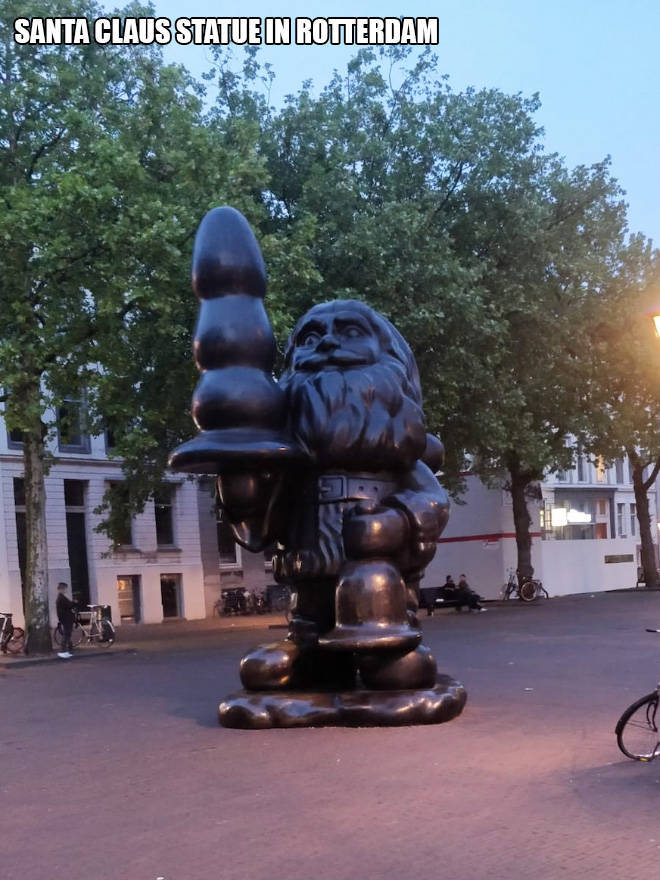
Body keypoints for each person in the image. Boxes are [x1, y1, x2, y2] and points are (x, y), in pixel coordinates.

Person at [56, 582, 76, 658]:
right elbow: (69, 605)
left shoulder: (61, 597)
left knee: (67, 634)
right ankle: (62, 651)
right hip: (66, 618)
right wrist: (74, 603)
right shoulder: (61, 598)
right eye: (65, 589)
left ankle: (68, 650)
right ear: (61, 589)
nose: (65, 590)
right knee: (66, 634)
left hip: (65, 618)